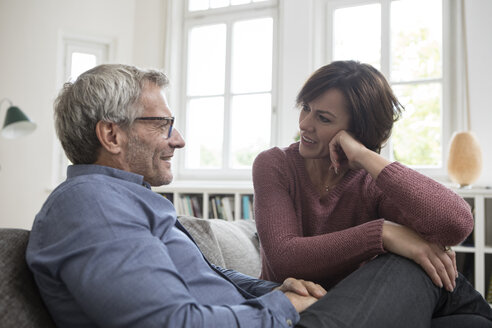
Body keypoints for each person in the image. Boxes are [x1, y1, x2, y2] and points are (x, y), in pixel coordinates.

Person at [26, 63, 490, 328]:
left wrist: (271, 289)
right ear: (111, 135)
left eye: (323, 117)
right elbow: (170, 324)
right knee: (413, 265)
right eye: (163, 125)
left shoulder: (128, 201)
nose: (179, 140)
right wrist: (281, 305)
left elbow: (206, 282)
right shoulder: (90, 204)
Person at [253, 60, 492, 327]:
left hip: (381, 309)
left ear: (357, 132)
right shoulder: (274, 165)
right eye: (306, 108)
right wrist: (384, 233)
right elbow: (285, 259)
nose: (305, 124)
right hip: (324, 310)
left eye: (323, 118)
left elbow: (456, 224)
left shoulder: (372, 181)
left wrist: (365, 156)